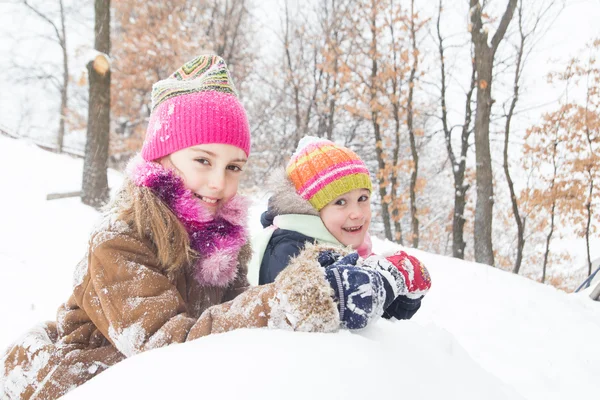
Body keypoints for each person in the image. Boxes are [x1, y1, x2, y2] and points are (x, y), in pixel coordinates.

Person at [0, 56, 385, 400]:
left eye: (234, 167)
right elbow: (167, 344)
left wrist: (322, 288)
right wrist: (287, 300)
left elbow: (238, 316)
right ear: (162, 157)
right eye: (203, 160)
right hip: (83, 380)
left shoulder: (220, 240)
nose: (219, 182)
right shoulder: (118, 242)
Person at [255, 136, 431, 320]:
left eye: (362, 199)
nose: (357, 213)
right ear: (310, 210)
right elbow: (326, 303)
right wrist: (385, 281)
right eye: (340, 202)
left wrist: (402, 294)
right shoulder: (290, 249)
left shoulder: (347, 247)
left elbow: (374, 316)